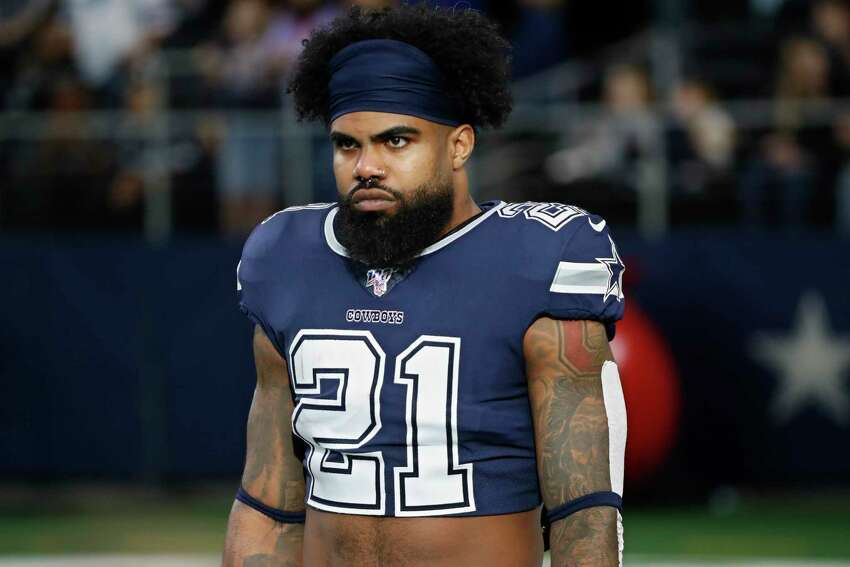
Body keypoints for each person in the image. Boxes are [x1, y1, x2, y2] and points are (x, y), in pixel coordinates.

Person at [222, 5, 627, 567]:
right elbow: (268, 506)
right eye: (347, 145)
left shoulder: (539, 259)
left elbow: (583, 512)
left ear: (459, 145)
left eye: (396, 141)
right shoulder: (286, 257)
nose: (367, 166)